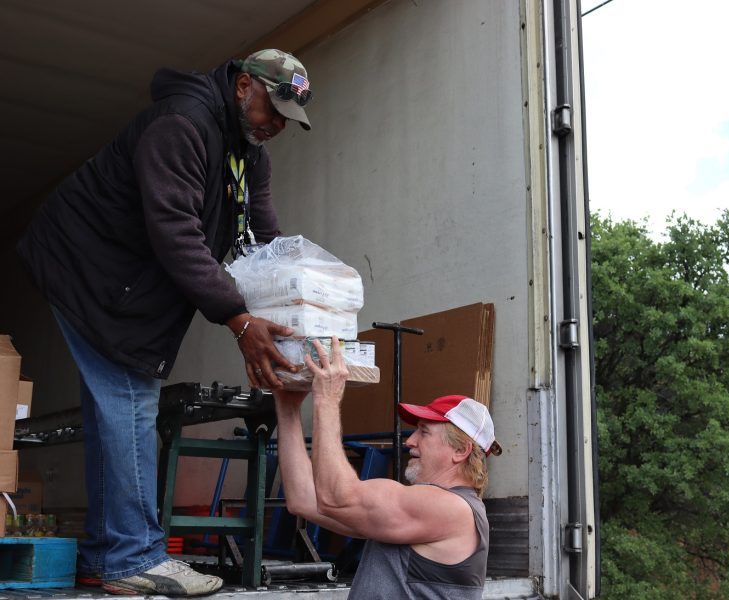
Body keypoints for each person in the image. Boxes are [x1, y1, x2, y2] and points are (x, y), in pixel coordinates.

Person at [16, 48, 313, 595]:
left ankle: (115, 555)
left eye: (286, 121)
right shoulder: (181, 125)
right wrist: (240, 322)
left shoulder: (249, 155)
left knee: (119, 406)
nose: (276, 126)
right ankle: (133, 558)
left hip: (130, 283)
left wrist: (305, 305)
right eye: (272, 111)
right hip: (88, 268)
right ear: (244, 85)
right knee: (129, 400)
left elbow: (265, 245)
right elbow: (176, 233)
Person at [273, 337, 502, 599]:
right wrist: (287, 408)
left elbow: (337, 498)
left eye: (424, 432)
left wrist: (327, 398)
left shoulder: (452, 509)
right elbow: (304, 501)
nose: (410, 441)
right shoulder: (417, 517)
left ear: (460, 451)